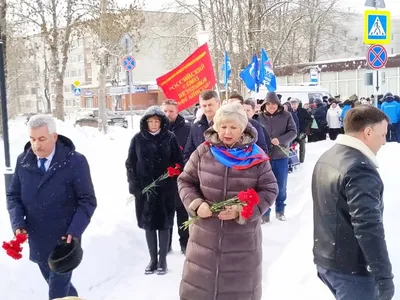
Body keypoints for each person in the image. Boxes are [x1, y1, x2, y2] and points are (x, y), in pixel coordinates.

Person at [178, 103, 278, 300]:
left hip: (241, 242)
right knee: (200, 291)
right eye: (223, 126)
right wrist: (197, 203)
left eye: (233, 127)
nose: (227, 132)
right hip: (204, 241)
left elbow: (269, 189)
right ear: (215, 126)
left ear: (243, 128)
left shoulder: (256, 156)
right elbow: (185, 181)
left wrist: (242, 210)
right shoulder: (203, 152)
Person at [6, 115, 97, 300]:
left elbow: (87, 200)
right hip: (38, 238)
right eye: (32, 139)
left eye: (41, 139)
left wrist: (75, 230)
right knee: (59, 287)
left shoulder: (75, 162)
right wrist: (18, 224)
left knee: (56, 292)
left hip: (64, 240)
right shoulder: (23, 161)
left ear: (54, 137)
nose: (36, 145)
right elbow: (13, 196)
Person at [312, 105, 394, 300]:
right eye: (382, 135)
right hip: (352, 269)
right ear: (367, 132)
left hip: (329, 260)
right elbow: (368, 225)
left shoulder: (330, 155)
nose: (384, 142)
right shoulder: (359, 168)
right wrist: (383, 275)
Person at [126, 106, 183, 275]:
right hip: (145, 190)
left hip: (165, 189)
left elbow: (178, 162)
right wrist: (134, 184)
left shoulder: (170, 138)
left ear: (161, 122)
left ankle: (163, 260)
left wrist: (171, 177)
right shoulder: (137, 139)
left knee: (164, 224)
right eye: (150, 121)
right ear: (145, 123)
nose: (153, 124)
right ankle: (152, 259)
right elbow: (130, 163)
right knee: (149, 224)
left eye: (156, 121)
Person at [257, 92, 297, 223]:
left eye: (274, 104)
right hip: (263, 157)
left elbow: (293, 132)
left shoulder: (286, 116)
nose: (271, 106)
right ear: (264, 105)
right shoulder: (259, 117)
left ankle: (280, 210)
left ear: (278, 104)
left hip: (281, 155)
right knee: (264, 186)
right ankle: (265, 213)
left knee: (281, 185)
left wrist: (280, 140)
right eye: (268, 104)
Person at [161, 99, 190, 254]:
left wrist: (181, 166)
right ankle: (165, 245)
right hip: (164, 179)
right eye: (165, 111)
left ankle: (185, 243)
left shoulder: (187, 129)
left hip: (182, 177)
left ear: (177, 111)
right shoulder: (156, 130)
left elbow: (190, 152)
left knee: (182, 212)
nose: (167, 114)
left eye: (171, 111)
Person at [184, 90, 220, 161]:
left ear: (218, 103)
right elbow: (188, 154)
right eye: (204, 106)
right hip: (201, 169)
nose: (207, 108)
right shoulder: (196, 127)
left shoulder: (228, 125)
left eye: (210, 105)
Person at [290, 98, 312, 163]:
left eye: (295, 104)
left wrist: (305, 126)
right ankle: (293, 160)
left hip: (301, 131)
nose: (294, 105)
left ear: (297, 104)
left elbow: (310, 119)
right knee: (291, 147)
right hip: (292, 132)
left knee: (302, 146)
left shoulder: (302, 111)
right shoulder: (289, 112)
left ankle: (301, 160)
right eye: (292, 104)